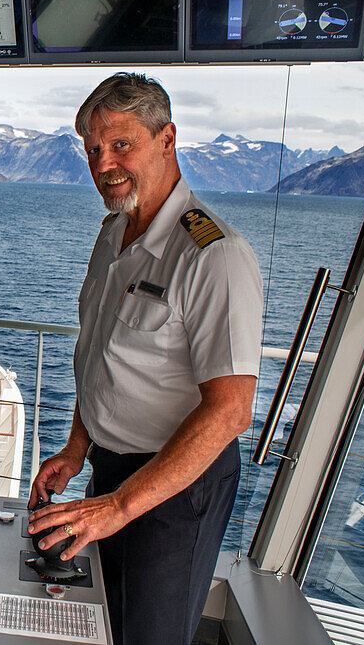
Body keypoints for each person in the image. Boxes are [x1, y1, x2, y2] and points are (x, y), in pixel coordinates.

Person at [27, 73, 263, 645]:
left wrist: (121, 505)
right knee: (106, 620)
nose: (104, 162)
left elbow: (230, 412)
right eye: (92, 149)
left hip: (177, 484)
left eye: (121, 143)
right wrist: (78, 446)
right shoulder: (113, 236)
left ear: (167, 138)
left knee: (149, 634)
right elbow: (103, 356)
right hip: (112, 468)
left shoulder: (213, 255)